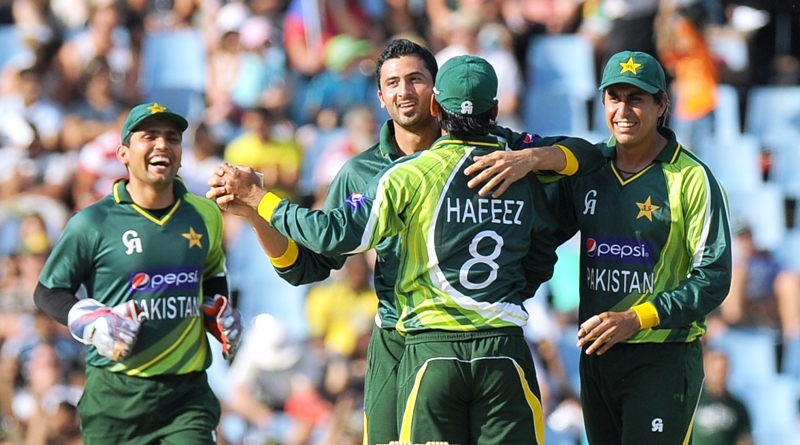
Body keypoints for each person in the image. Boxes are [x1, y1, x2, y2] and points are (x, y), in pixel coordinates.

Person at [208, 38, 603, 445]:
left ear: (437, 94)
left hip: (474, 334)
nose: (404, 91)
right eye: (393, 83)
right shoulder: (362, 172)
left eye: (415, 79)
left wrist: (534, 158)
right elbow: (304, 265)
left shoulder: (504, 150)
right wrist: (256, 216)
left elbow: (586, 157)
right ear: (379, 96)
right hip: (399, 340)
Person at [467, 50, 732, 445]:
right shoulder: (589, 169)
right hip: (596, 355)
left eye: (636, 98)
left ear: (662, 105)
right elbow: (543, 239)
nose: (623, 110)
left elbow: (713, 278)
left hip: (661, 357)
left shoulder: (691, 178)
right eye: (614, 97)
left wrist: (636, 318)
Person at [32, 102, 243, 444]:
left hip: (186, 394)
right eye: (150, 137)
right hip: (115, 396)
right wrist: (90, 320)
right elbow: (47, 292)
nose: (162, 145)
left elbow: (212, 273)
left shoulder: (206, 214)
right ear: (124, 154)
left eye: (172, 138)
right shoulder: (93, 221)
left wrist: (219, 307)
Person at [692, 348, 753, 445]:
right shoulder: (693, 402)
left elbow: (744, 439)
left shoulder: (737, 406)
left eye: (722, 369)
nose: (719, 374)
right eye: (714, 369)